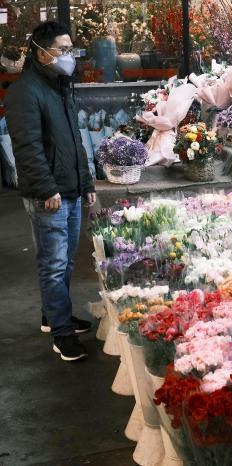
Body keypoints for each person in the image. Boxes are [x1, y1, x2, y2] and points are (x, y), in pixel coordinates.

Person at [5, 21, 96, 362]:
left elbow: (75, 140)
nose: (68, 56)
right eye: (62, 50)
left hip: (70, 189)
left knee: (64, 260)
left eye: (72, 49)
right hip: (49, 193)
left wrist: (85, 181)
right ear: (41, 52)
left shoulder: (60, 85)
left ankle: (53, 315)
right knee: (54, 264)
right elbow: (27, 148)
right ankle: (62, 333)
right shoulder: (24, 92)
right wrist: (47, 187)